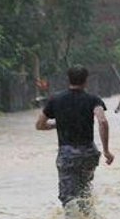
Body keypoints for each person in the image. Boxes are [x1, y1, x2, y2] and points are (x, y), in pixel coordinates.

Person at [35, 65, 114, 209]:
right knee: (84, 190)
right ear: (86, 81)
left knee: (69, 198)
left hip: (67, 154)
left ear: (68, 79)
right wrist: (107, 151)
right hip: (89, 153)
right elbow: (102, 121)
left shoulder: (56, 100)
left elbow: (39, 124)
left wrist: (56, 125)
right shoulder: (93, 100)